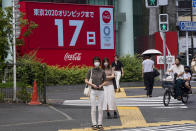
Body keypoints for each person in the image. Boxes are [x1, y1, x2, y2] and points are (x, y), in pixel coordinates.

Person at [85, 56, 107, 130]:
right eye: (95, 61)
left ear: (100, 63)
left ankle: (100, 124)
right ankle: (94, 124)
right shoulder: (90, 70)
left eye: (97, 61)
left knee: (100, 108)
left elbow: (105, 80)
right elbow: (86, 80)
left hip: (101, 91)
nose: (96, 62)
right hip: (93, 91)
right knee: (93, 108)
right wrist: (92, 85)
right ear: (93, 63)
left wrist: (101, 85)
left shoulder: (102, 71)